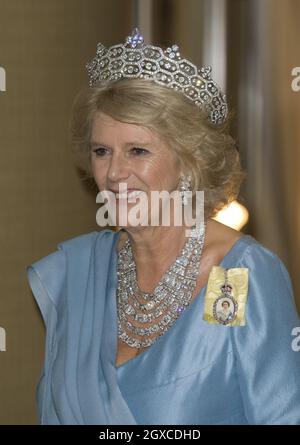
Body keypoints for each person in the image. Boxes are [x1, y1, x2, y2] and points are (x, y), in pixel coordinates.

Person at [26, 28, 300, 425]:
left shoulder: (235, 277)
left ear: (189, 163)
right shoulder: (79, 274)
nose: (115, 172)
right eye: (102, 151)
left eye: (138, 151)